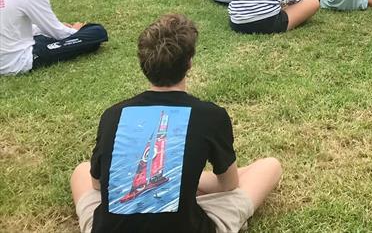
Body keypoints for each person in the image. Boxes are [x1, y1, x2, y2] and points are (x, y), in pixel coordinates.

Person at [70, 14, 282, 233]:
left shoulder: (113, 114)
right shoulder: (211, 115)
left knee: (82, 170)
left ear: (143, 63)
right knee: (269, 167)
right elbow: (228, 185)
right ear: (189, 62)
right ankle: (181, 181)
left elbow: (96, 184)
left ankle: (180, 181)